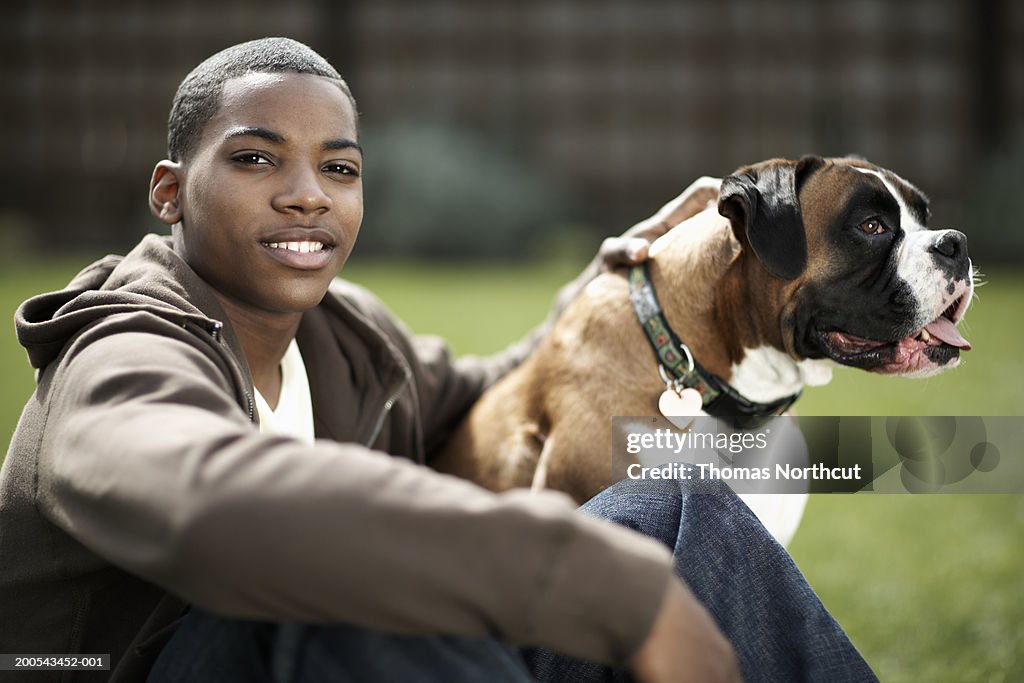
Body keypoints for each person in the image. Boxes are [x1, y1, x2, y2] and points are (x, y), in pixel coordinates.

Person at [0, 38, 875, 682]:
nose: (307, 192)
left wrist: (616, 288)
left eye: (338, 167)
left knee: (682, 500)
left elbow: (491, 392)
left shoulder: (349, 338)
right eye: (256, 158)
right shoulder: (119, 353)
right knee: (348, 604)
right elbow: (210, 503)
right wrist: (581, 574)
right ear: (168, 192)